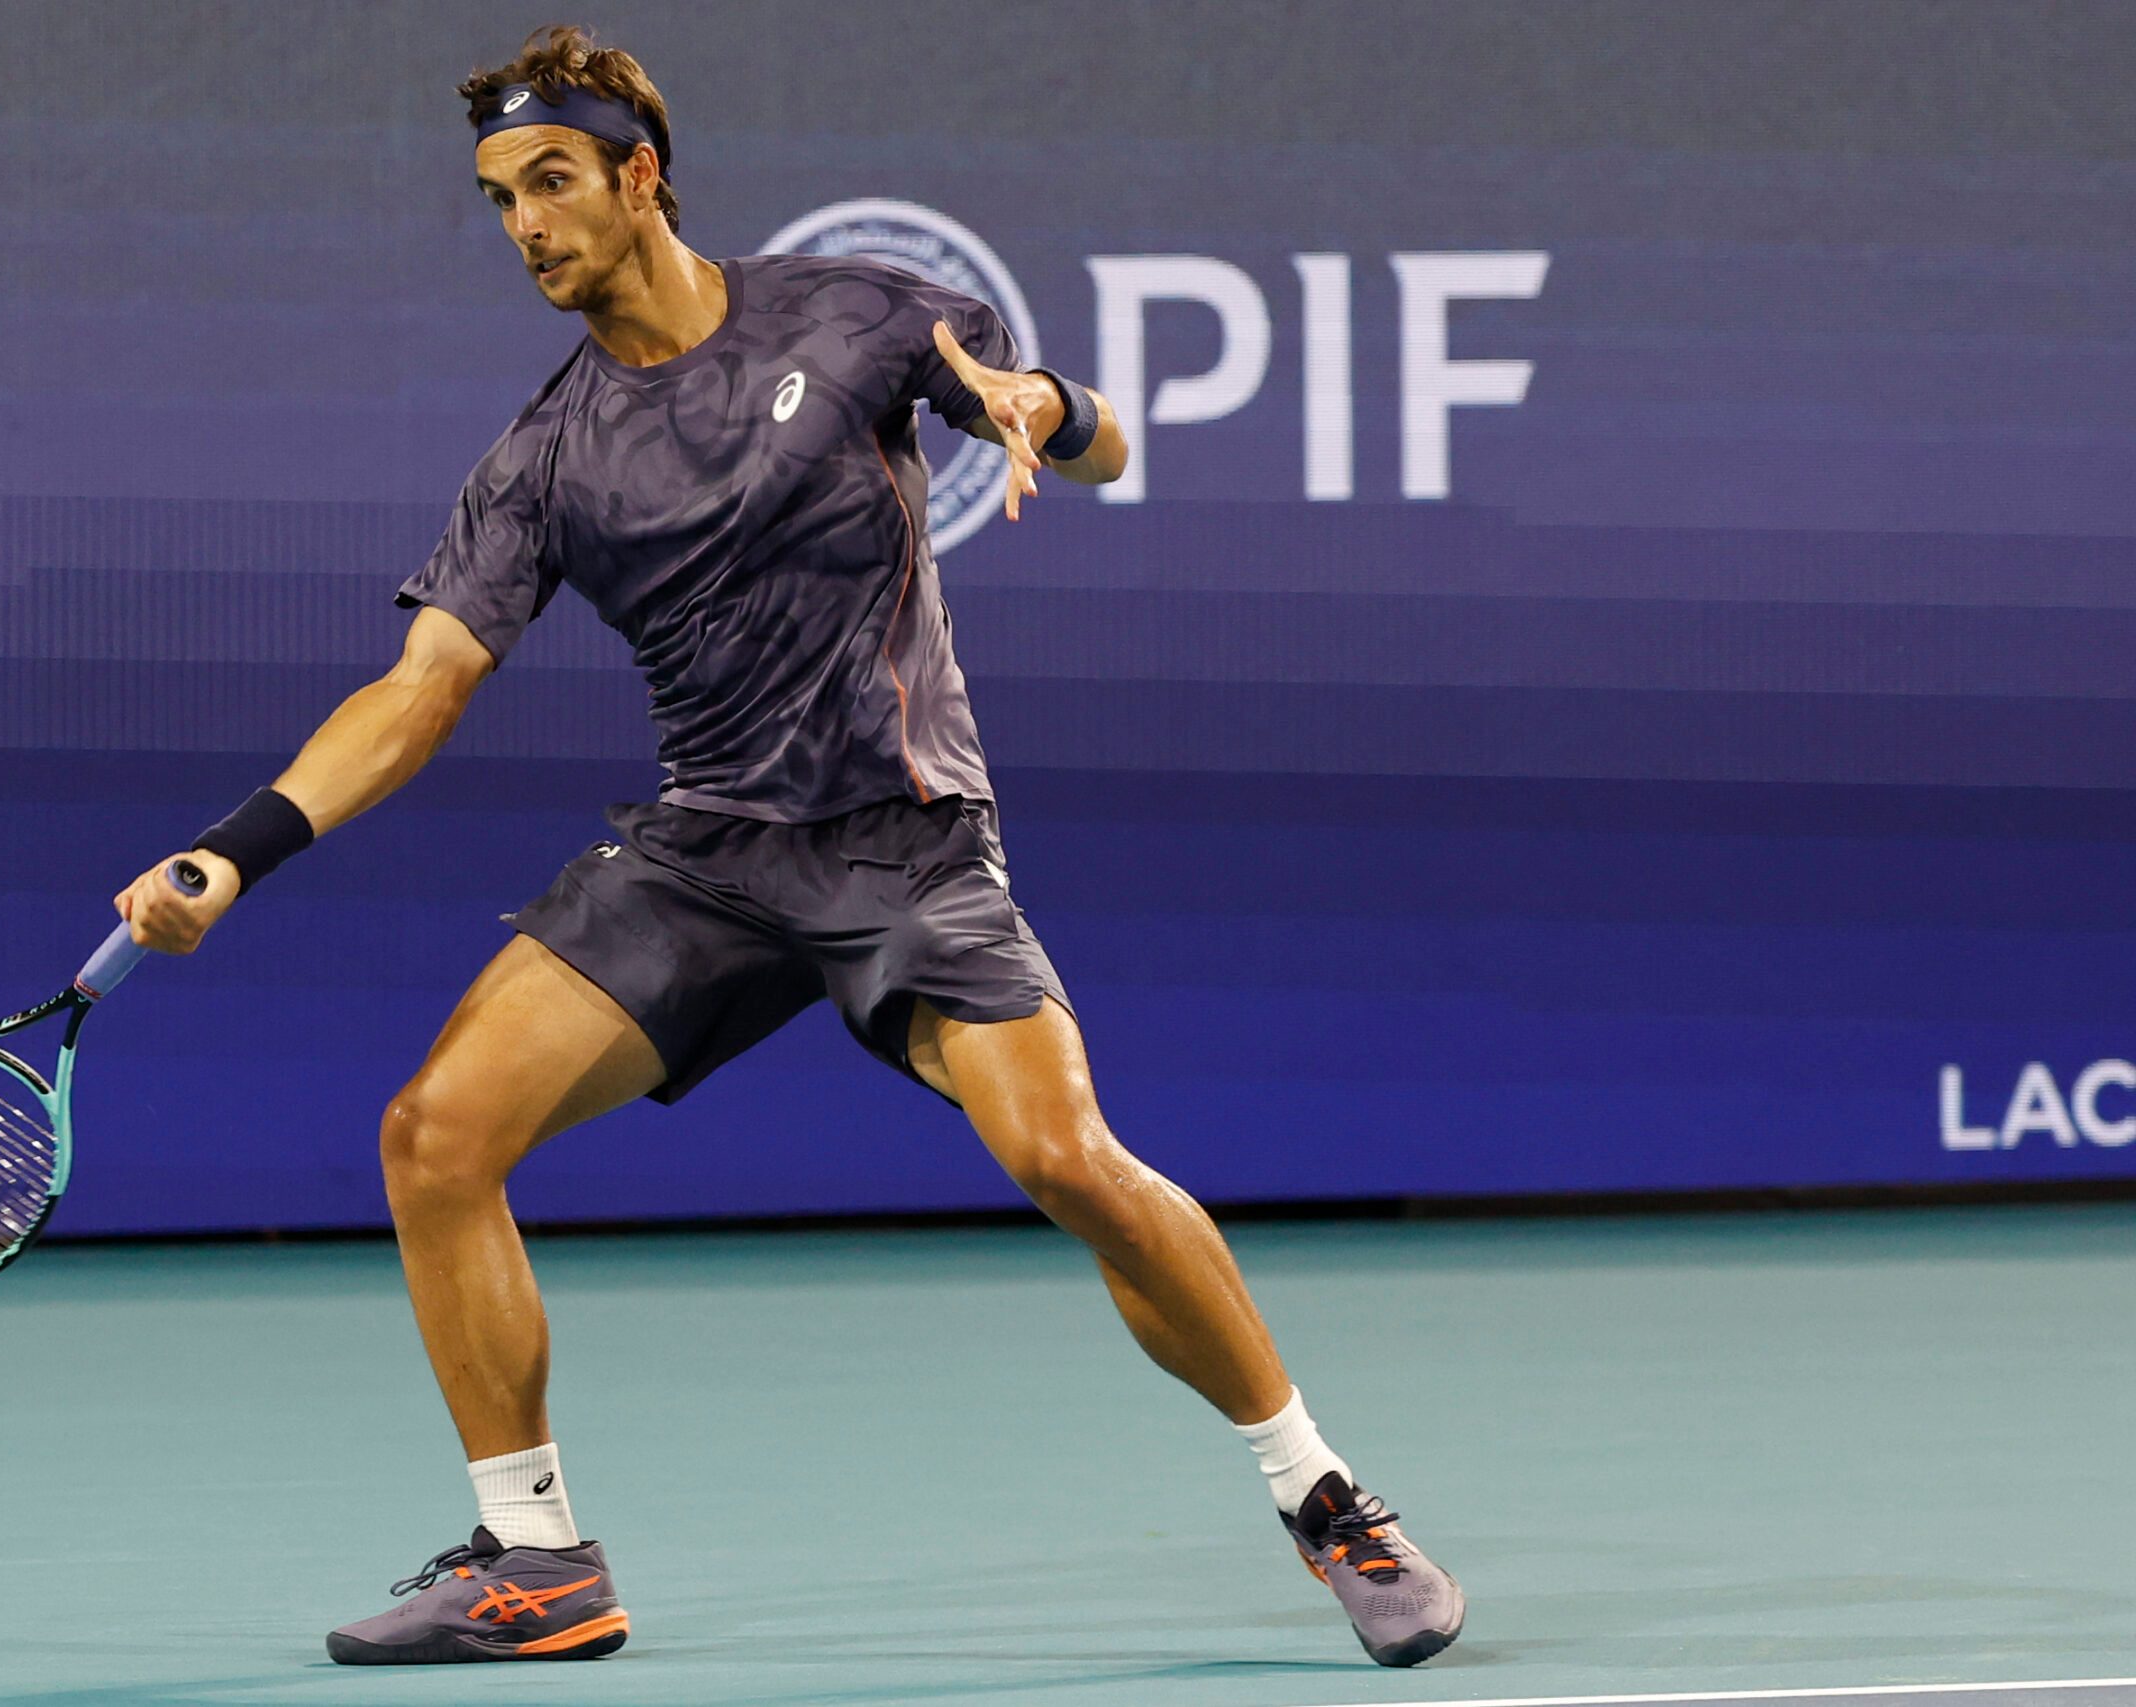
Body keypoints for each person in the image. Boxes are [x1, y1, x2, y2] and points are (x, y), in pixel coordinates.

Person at [113, 22, 1465, 1672]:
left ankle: (1325, 1496)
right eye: (497, 199)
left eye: (552, 181)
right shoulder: (541, 462)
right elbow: (422, 689)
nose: (527, 224)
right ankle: (536, 1560)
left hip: (907, 844)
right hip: (707, 856)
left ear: (639, 174)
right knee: (435, 1133)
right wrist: (235, 854)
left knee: (1064, 1160)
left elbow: (1101, 443)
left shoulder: (859, 310)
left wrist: (1047, 400)